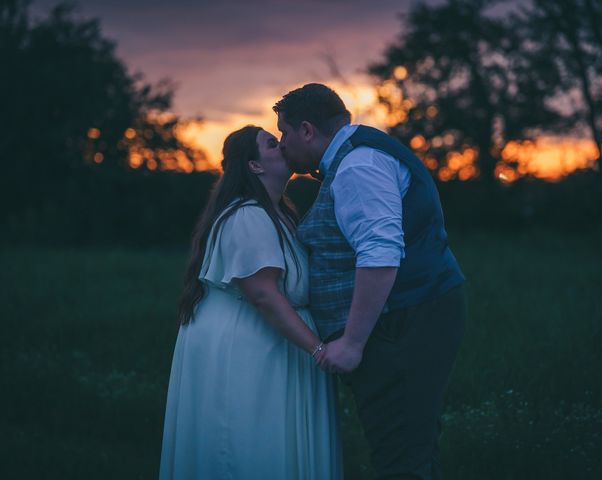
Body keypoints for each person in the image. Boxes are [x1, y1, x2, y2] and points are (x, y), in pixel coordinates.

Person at [274, 83, 467, 480]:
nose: (282, 144)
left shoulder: (358, 166)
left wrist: (353, 343)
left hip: (403, 324)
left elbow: (379, 253)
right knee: (413, 444)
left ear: (307, 130)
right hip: (410, 317)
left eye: (284, 133)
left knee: (399, 455)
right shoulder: (357, 157)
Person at [159, 125, 342, 480]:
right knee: (248, 442)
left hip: (272, 340)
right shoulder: (248, 216)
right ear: (255, 166)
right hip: (251, 345)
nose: (284, 146)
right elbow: (263, 294)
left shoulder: (279, 214)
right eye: (272, 143)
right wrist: (318, 349)